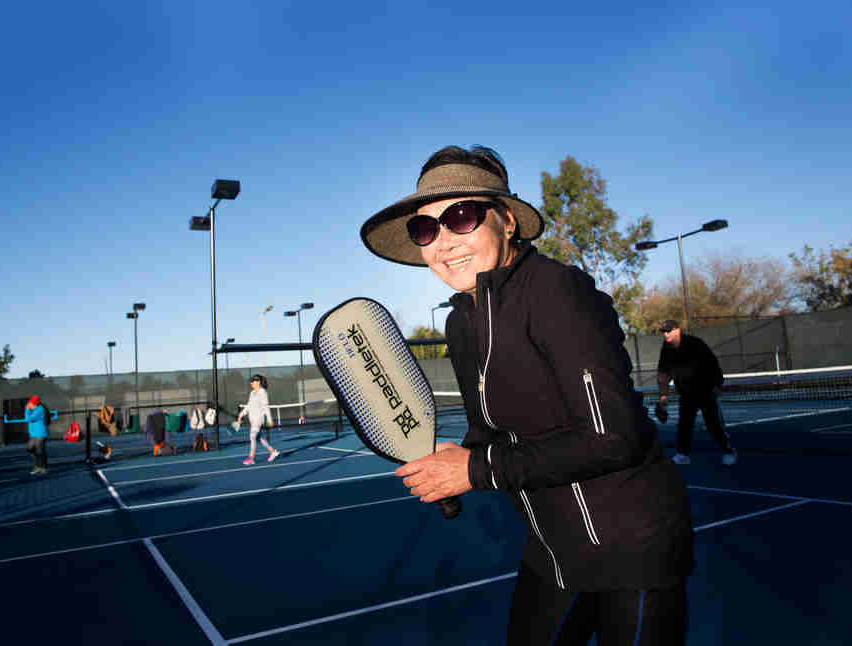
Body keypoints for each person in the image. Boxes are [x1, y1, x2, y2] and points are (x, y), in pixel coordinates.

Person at [361, 145, 694, 645]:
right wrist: (460, 457)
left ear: (507, 222)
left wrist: (473, 472)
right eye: (426, 228)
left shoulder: (560, 294)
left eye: (461, 216)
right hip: (552, 550)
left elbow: (612, 437)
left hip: (633, 551)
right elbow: (491, 431)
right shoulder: (461, 322)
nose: (444, 241)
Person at [655, 319, 737, 466]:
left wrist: (717, 384)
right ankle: (683, 454)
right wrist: (663, 395)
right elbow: (663, 373)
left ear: (677, 330)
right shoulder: (666, 350)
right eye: (664, 332)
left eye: (669, 330)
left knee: (713, 425)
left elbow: (712, 363)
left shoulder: (695, 343)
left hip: (705, 391)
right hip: (686, 394)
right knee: (684, 425)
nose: (666, 334)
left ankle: (728, 451)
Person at [240, 375, 279, 465]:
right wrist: (241, 414)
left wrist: (270, 419)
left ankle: (251, 458)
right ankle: (273, 452)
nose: (251, 383)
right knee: (259, 438)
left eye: (253, 381)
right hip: (252, 419)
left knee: (252, 436)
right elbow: (249, 406)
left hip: (258, 420)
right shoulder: (252, 393)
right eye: (251, 382)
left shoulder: (263, 392)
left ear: (258, 382)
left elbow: (265, 407)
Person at [25, 395, 49, 475]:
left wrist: (27, 410)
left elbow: (28, 419)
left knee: (40, 451)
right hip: (34, 435)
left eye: (31, 403)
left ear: (35, 404)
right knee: (30, 448)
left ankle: (43, 468)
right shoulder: (34, 409)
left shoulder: (39, 409)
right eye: (30, 403)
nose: (30, 404)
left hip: (40, 434)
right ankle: (38, 466)